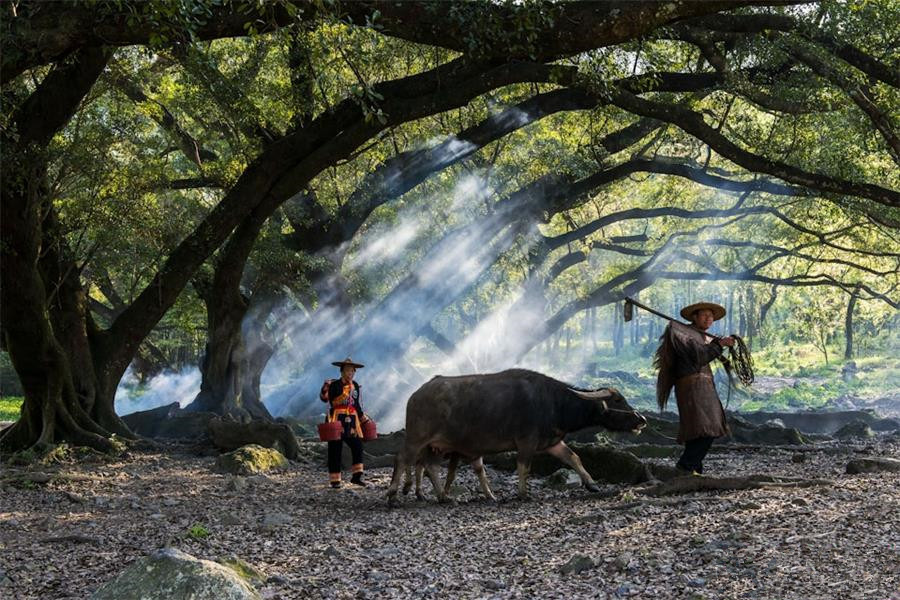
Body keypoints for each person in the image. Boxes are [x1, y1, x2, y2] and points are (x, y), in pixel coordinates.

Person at [655, 302, 735, 475]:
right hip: (691, 387)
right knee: (706, 429)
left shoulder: (699, 335)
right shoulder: (682, 333)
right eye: (705, 315)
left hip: (703, 387)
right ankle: (685, 466)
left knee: (700, 431)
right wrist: (719, 345)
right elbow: (698, 356)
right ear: (694, 317)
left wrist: (717, 344)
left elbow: (704, 352)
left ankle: (695, 470)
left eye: (711, 316)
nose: (709, 319)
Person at [324, 357, 371, 488]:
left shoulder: (355, 385)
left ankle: (356, 477)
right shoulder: (334, 385)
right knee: (335, 449)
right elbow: (332, 402)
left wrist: (364, 419)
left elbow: (356, 404)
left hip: (352, 422)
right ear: (342, 372)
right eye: (348, 371)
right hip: (336, 420)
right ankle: (335, 481)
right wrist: (344, 393)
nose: (350, 373)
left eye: (352, 371)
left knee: (357, 446)